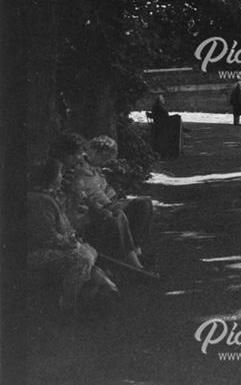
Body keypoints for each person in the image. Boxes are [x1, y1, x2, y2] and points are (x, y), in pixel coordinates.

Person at [28, 157, 118, 316]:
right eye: (59, 173)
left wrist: (74, 240)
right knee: (81, 258)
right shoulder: (39, 200)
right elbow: (46, 235)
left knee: (89, 252)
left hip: (53, 245)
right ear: (50, 176)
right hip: (34, 252)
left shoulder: (48, 197)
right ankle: (69, 304)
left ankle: (102, 290)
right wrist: (69, 243)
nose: (61, 176)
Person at [52, 133, 150, 272]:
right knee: (118, 215)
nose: (79, 158)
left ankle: (135, 251)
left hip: (97, 205)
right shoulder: (70, 171)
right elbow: (83, 196)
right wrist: (105, 203)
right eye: (75, 155)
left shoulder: (86, 168)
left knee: (142, 204)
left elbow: (100, 188)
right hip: (82, 213)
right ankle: (132, 260)